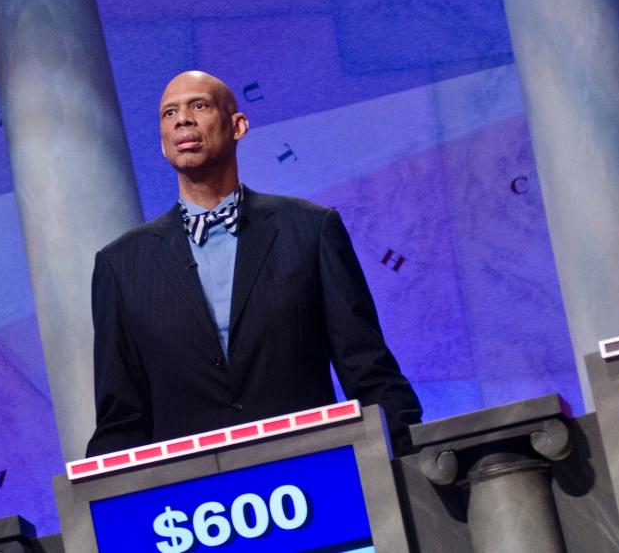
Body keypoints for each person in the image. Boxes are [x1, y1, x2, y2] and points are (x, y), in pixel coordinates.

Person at [86, 70, 421, 457]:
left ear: (238, 126)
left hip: (317, 472)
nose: (182, 120)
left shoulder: (311, 230)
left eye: (199, 106)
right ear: (163, 144)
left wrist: (408, 464)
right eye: (169, 113)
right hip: (194, 502)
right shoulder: (121, 265)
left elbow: (368, 370)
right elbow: (121, 420)